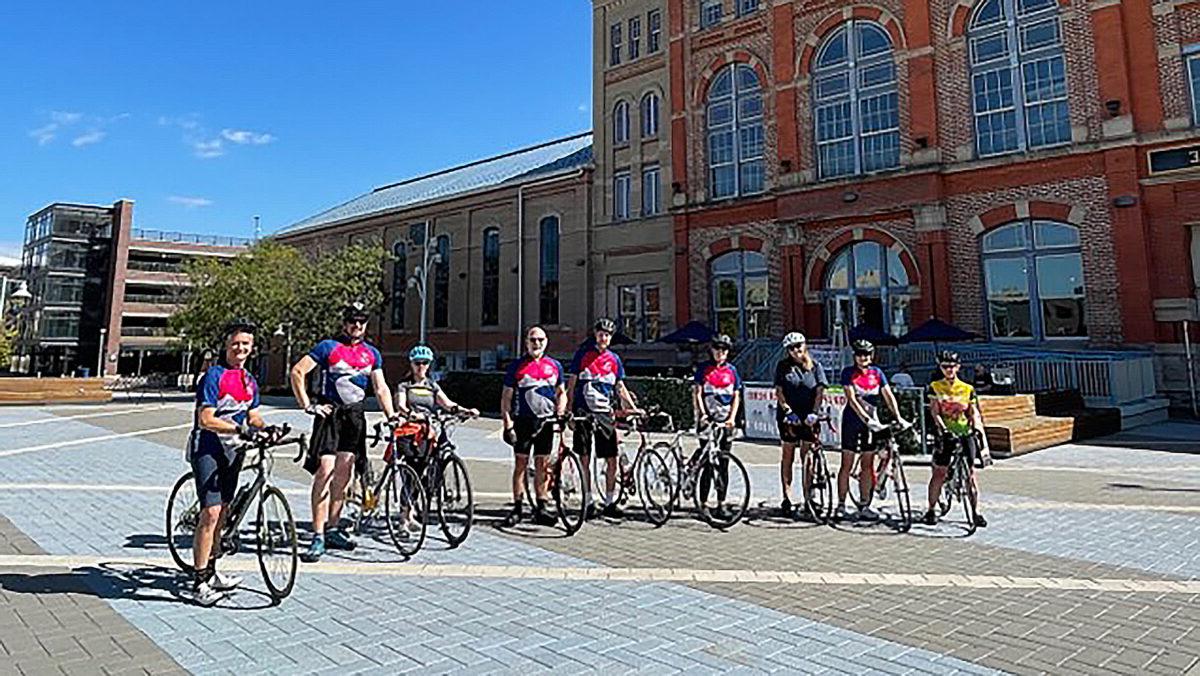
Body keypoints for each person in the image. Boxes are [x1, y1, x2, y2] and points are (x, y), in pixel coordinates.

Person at [290, 302, 396, 562]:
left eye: (361, 321)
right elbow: (298, 371)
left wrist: (391, 415)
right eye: (352, 321)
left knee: (344, 476)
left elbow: (381, 388)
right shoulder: (328, 347)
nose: (357, 326)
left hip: (355, 419)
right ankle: (317, 535)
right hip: (330, 416)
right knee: (324, 472)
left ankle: (333, 527)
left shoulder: (372, 354)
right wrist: (308, 405)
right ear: (344, 323)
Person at [186, 319, 271, 606]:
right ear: (227, 345)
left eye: (246, 344)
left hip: (233, 450)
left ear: (252, 348)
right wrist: (238, 429)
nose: (241, 348)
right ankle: (199, 582)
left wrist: (264, 428)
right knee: (210, 514)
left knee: (223, 512)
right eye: (236, 343)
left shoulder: (249, 380)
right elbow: (206, 418)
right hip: (207, 447)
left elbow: (253, 415)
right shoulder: (213, 376)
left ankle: (212, 570)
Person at [566, 318, 642, 519]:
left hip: (605, 414)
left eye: (607, 335)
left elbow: (620, 387)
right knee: (584, 457)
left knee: (612, 458)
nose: (603, 337)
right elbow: (571, 385)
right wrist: (568, 412)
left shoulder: (614, 360)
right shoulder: (583, 355)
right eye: (600, 334)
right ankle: (588, 501)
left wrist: (634, 409)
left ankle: (609, 501)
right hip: (584, 412)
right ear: (595, 334)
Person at [500, 326, 567, 528]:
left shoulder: (555, 366)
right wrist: (507, 424)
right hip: (523, 422)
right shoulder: (517, 366)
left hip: (546, 421)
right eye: (532, 340)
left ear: (546, 341)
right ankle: (518, 507)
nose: (536, 343)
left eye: (540, 340)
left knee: (542, 465)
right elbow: (506, 398)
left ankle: (541, 505)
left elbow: (561, 392)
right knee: (520, 464)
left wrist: (561, 413)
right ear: (526, 343)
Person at [836, 339, 908, 521]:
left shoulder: (877, 373)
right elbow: (852, 400)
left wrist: (898, 416)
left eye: (867, 354)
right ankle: (841, 504)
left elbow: (888, 395)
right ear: (855, 356)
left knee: (867, 465)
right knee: (847, 463)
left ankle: (864, 504)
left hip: (871, 424)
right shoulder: (848, 373)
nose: (863, 358)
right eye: (860, 354)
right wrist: (867, 419)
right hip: (852, 422)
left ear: (872, 355)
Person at [924, 350, 990, 528]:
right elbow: (935, 412)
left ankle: (975, 512)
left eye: (952, 366)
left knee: (970, 474)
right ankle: (931, 509)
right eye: (945, 366)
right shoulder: (935, 386)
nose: (949, 370)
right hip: (946, 433)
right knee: (939, 472)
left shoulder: (967, 389)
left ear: (958, 367)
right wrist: (944, 430)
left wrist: (976, 428)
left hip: (964, 432)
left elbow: (973, 412)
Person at [392, 344, 479, 470]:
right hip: (413, 428)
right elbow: (401, 405)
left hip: (430, 426)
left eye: (425, 363)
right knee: (416, 464)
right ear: (411, 364)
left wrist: (466, 411)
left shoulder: (432, 385)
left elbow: (448, 404)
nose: (421, 366)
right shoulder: (405, 385)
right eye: (417, 363)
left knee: (438, 453)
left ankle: (435, 482)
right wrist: (410, 414)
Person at [773, 332, 827, 518]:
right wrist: (787, 410)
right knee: (788, 455)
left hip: (808, 416)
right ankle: (787, 497)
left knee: (808, 457)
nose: (796, 351)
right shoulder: (783, 366)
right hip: (790, 417)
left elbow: (819, 391)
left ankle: (808, 497)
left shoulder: (816, 367)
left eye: (798, 346)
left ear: (805, 346)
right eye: (791, 348)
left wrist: (814, 412)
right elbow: (779, 391)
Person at [692, 333, 741, 520]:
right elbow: (697, 393)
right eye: (717, 349)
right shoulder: (704, 369)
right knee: (707, 463)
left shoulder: (732, 371)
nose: (720, 353)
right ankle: (703, 503)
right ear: (711, 350)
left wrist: (732, 418)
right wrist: (703, 414)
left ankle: (721, 503)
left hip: (725, 421)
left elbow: (736, 395)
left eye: (724, 350)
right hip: (708, 421)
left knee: (724, 463)